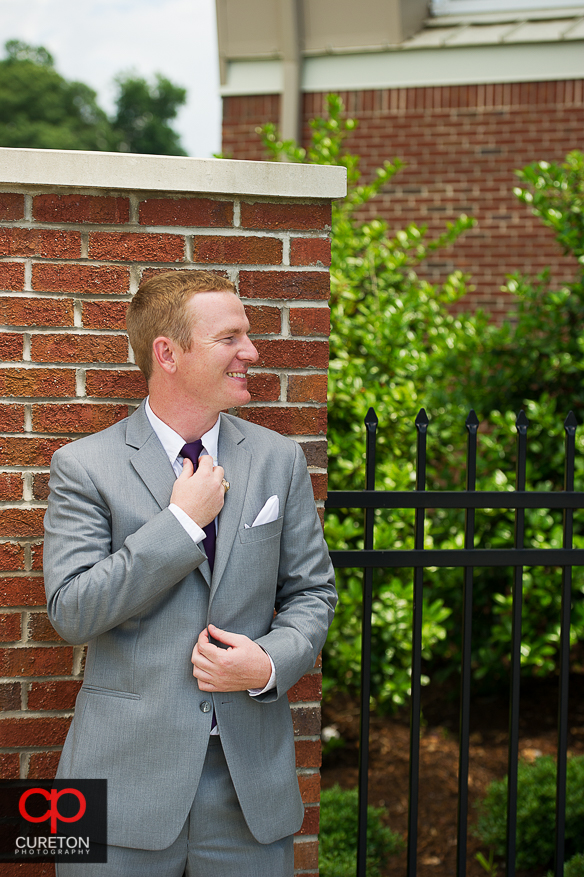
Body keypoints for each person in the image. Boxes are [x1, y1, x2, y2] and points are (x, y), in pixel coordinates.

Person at [43, 269, 337, 877]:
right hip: (113, 783)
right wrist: (180, 524)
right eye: (230, 338)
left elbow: (313, 592)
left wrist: (270, 663)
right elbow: (70, 612)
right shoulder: (82, 466)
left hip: (247, 790)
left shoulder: (278, 458)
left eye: (248, 336)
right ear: (167, 353)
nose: (250, 352)